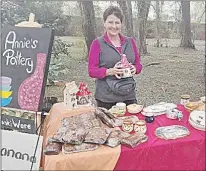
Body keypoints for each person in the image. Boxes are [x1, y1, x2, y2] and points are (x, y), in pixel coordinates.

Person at [88, 6, 142, 110]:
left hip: (128, 96)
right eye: (110, 22)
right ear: (104, 23)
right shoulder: (97, 43)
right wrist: (110, 71)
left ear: (121, 24)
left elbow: (138, 65)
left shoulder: (130, 42)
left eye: (117, 22)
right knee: (110, 126)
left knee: (130, 124)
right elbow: (91, 71)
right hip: (106, 98)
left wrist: (134, 69)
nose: (114, 26)